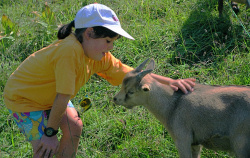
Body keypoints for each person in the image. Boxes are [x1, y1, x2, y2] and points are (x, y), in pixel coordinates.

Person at [3, 3, 196, 158]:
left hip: (51, 96)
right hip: (25, 100)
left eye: (113, 42)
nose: (111, 47)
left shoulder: (97, 54)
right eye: (108, 41)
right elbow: (63, 95)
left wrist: (169, 81)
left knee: (74, 126)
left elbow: (129, 74)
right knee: (45, 149)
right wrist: (50, 133)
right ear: (89, 33)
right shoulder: (69, 51)